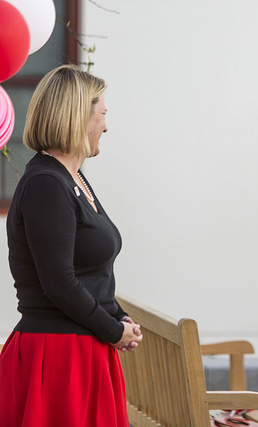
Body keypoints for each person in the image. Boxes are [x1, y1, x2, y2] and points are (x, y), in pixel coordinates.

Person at [0, 64, 142, 427]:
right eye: (103, 115)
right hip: (57, 356)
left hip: (82, 348)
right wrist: (113, 331)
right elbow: (59, 282)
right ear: (77, 117)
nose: (106, 127)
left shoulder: (73, 178)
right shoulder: (47, 184)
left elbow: (93, 273)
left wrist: (118, 316)